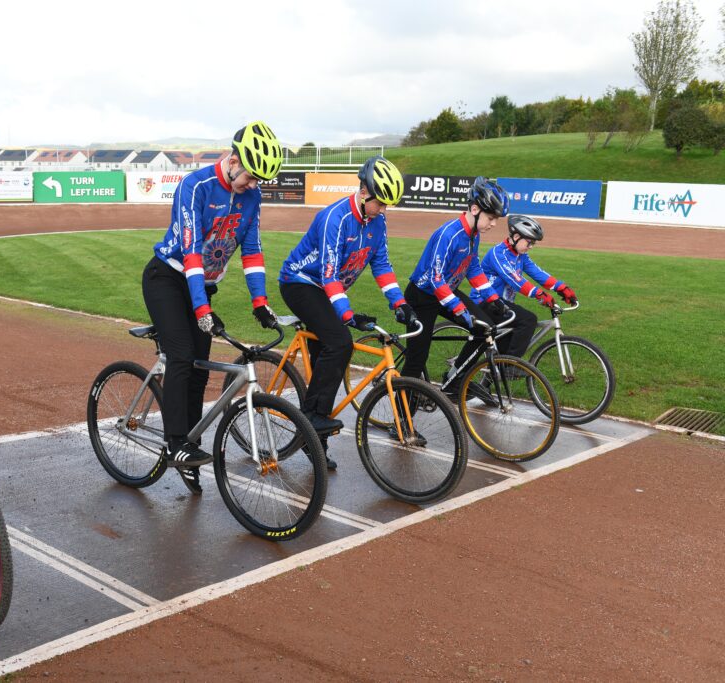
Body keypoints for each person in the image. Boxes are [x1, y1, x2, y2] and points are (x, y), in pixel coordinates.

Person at [142, 121, 282, 493]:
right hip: (169, 279)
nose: (254, 186)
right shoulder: (196, 186)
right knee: (184, 356)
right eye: (251, 177)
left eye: (259, 182)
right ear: (233, 160)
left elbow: (251, 251)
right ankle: (175, 444)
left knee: (200, 371)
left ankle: (191, 444)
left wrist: (261, 302)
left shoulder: (252, 197)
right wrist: (201, 310)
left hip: (201, 285)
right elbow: (191, 252)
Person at [278, 156, 416, 467]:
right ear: (364, 191)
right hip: (301, 283)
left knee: (331, 355)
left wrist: (399, 302)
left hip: (328, 289)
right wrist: (347, 314)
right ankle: (311, 419)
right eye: (381, 203)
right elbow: (328, 273)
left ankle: (313, 442)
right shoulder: (335, 218)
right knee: (340, 341)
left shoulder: (377, 221)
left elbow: (381, 264)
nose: (384, 210)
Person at [400, 176, 511, 396]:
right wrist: (458, 308)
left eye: (496, 219)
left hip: (446, 292)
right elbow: (435, 278)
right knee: (417, 359)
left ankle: (454, 380)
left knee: (484, 328)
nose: (494, 223)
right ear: (474, 209)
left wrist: (493, 298)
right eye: (491, 217)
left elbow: (473, 268)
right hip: (423, 296)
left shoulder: (473, 235)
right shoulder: (449, 234)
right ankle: (401, 421)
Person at [469, 214, 578, 359]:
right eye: (529, 242)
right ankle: (511, 367)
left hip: (500, 304)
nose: (531, 246)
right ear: (515, 237)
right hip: (485, 302)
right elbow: (516, 280)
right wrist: (539, 294)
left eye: (533, 243)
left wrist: (561, 288)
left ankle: (499, 368)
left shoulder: (520, 255)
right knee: (528, 320)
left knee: (503, 350)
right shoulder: (498, 254)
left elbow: (537, 272)